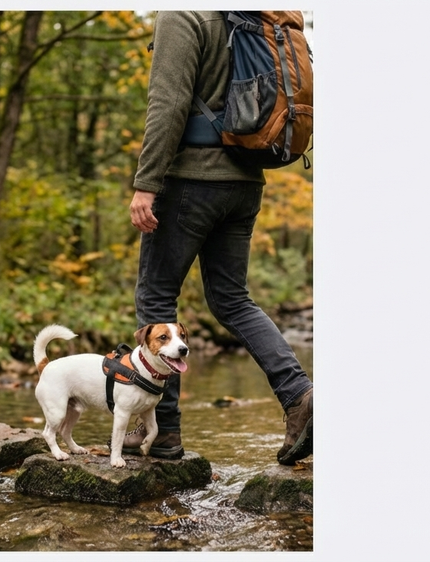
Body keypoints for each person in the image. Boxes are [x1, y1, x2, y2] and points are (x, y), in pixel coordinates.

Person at [122, 11, 313, 465]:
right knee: (231, 299)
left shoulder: (182, 15)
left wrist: (147, 182)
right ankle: (301, 396)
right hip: (245, 181)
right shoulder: (243, 16)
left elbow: (167, 103)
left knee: (156, 297)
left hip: (192, 178)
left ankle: (162, 434)